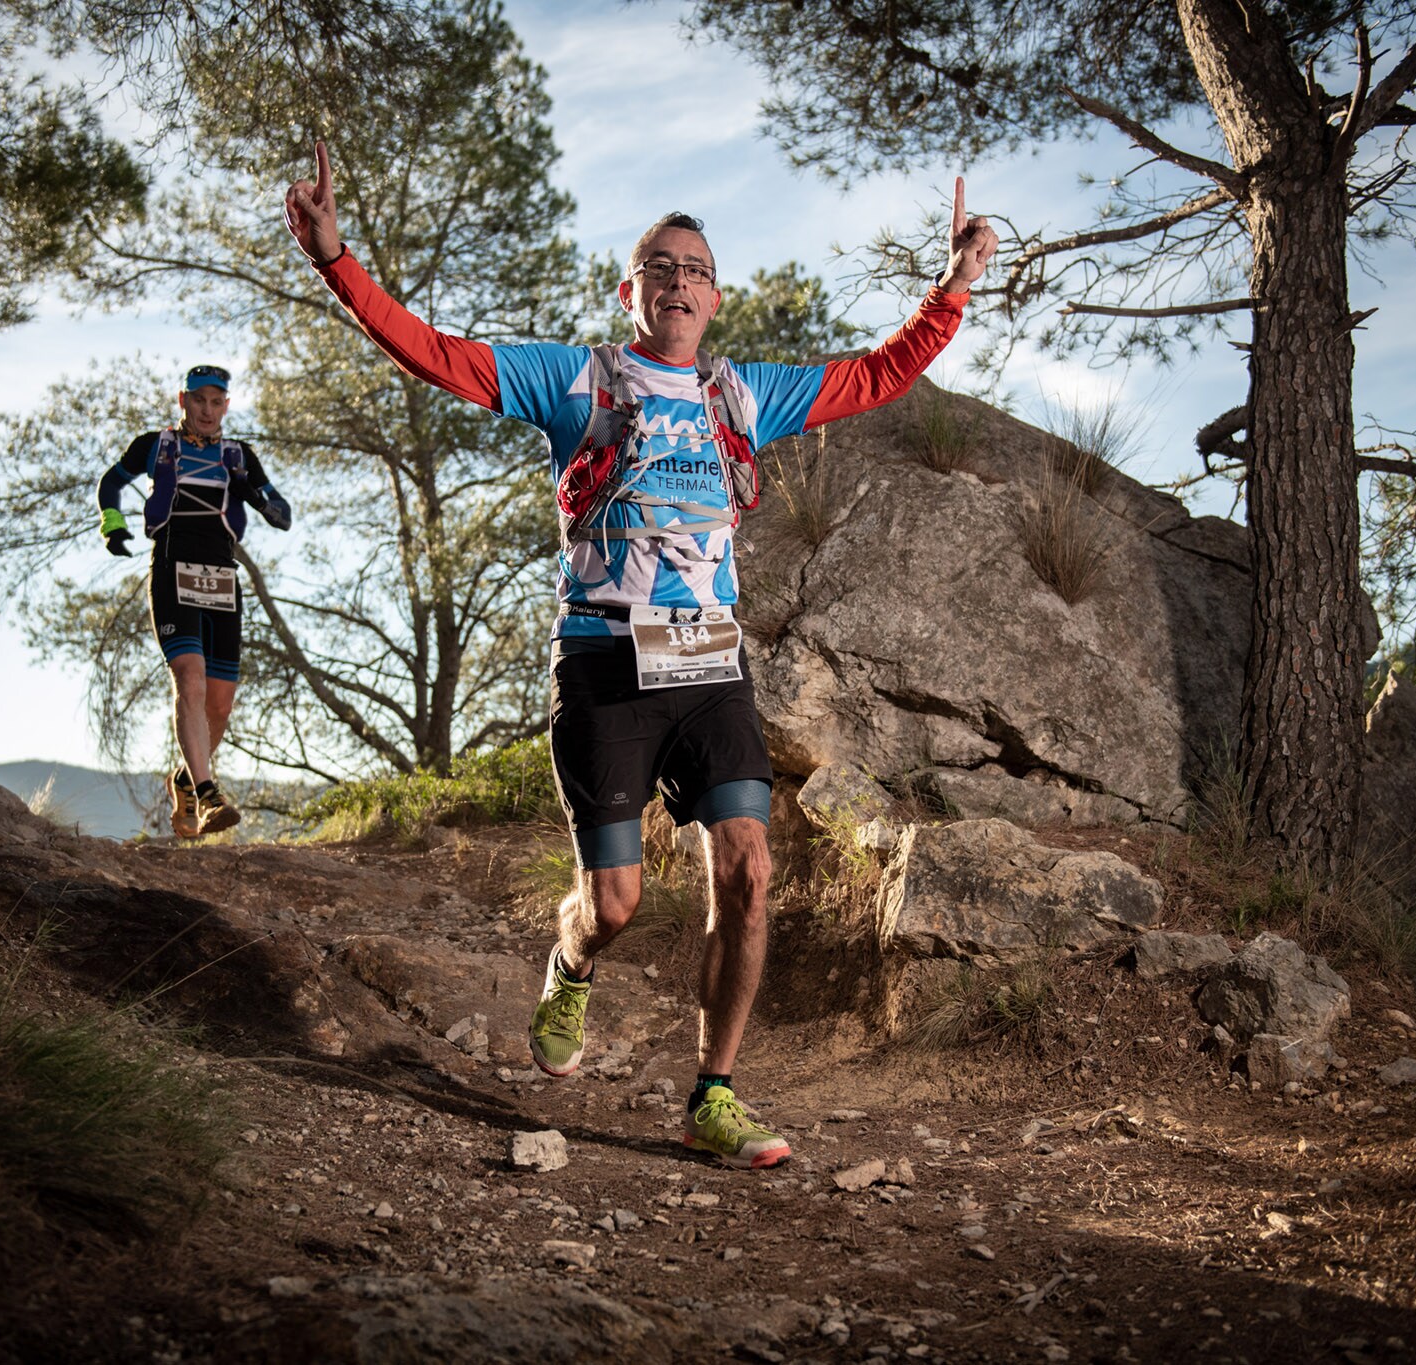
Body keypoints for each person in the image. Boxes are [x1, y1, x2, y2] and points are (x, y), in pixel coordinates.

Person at [285, 141, 996, 1169]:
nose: (678, 281)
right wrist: (336, 260)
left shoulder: (742, 396)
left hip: (710, 667)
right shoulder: (572, 380)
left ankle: (713, 1092)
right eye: (659, 266)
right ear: (630, 292)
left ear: (714, 300)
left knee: (747, 870)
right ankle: (570, 962)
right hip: (603, 664)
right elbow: (434, 353)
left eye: (696, 270)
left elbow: (879, 373)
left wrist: (955, 285)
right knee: (613, 903)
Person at [96, 364, 291, 838]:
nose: (207, 410)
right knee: (191, 677)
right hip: (172, 567)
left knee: (220, 706)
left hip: (222, 576)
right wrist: (114, 524)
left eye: (216, 401)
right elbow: (111, 483)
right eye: (199, 400)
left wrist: (258, 496)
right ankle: (207, 794)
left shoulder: (238, 455)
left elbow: (281, 512)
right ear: (183, 401)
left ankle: (184, 780)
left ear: (227, 405)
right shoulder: (156, 446)